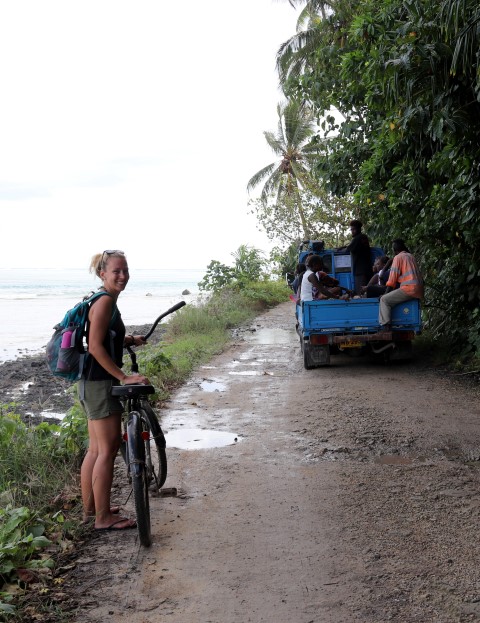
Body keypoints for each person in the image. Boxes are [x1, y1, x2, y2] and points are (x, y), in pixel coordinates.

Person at [79, 250, 149, 531]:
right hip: (100, 382)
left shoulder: (100, 298)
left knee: (96, 449)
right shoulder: (106, 301)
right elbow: (95, 347)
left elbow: (104, 339)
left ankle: (92, 510)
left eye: (125, 270)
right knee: (106, 450)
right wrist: (123, 377)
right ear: (103, 274)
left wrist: (129, 339)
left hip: (90, 382)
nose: (122, 276)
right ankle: (103, 518)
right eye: (116, 271)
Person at [378, 239, 424, 329]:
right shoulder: (410, 256)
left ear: (394, 250)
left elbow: (392, 280)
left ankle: (386, 327)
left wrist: (385, 294)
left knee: (384, 300)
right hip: (419, 289)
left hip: (410, 289)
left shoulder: (398, 257)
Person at [338, 219, 373, 295]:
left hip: (360, 271)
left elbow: (347, 250)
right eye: (351, 229)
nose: (352, 231)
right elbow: (351, 246)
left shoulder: (357, 238)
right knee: (367, 292)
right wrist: (344, 247)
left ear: (359, 229)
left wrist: (339, 250)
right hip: (367, 270)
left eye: (354, 229)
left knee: (361, 293)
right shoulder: (363, 237)